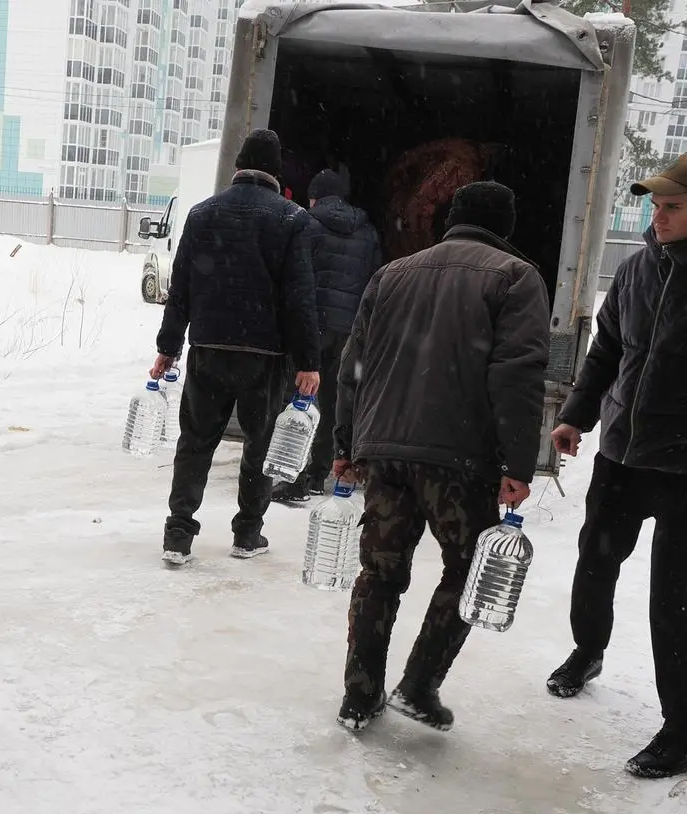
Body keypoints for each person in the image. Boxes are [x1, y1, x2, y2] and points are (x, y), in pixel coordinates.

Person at [333, 181, 549, 732]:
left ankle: (359, 697)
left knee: (378, 573)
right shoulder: (515, 277)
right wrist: (519, 464)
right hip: (459, 458)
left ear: (451, 218)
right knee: (467, 571)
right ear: (506, 225)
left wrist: (344, 444)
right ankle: (420, 684)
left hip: (384, 453)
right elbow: (516, 377)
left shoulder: (392, 274)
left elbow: (353, 364)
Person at [546, 154, 687, 778]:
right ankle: (587, 649)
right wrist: (577, 414)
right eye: (656, 205)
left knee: (675, 598)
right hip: (621, 455)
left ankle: (680, 727)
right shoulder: (635, 270)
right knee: (596, 555)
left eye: (672, 207)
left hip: (683, 467)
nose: (657, 216)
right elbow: (605, 351)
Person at [151, 128, 321, 566]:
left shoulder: (202, 213)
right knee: (259, 445)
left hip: (208, 348)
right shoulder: (291, 219)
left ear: (237, 167)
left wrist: (168, 346)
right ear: (276, 174)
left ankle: (178, 535)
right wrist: (308, 361)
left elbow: (181, 288)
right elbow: (299, 297)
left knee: (196, 442)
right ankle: (247, 534)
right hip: (265, 356)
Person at [274, 168, 381, 505]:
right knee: (336, 403)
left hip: (311, 326)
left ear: (316, 197)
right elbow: (375, 281)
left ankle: (293, 474)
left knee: (299, 399)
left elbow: (294, 277)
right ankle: (319, 473)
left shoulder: (306, 223)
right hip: (349, 330)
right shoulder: (368, 231)